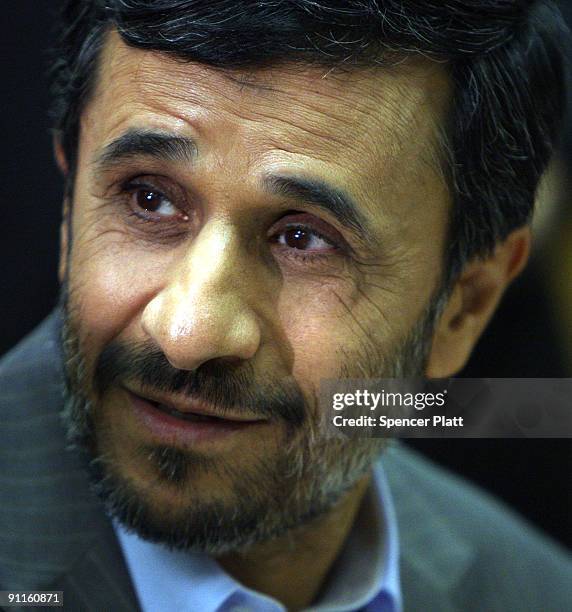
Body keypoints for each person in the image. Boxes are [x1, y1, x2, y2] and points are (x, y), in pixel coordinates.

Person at [1, 1, 571, 610]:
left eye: (304, 239)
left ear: (464, 308)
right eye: (148, 200)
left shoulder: (534, 589)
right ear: (68, 214)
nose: (188, 333)